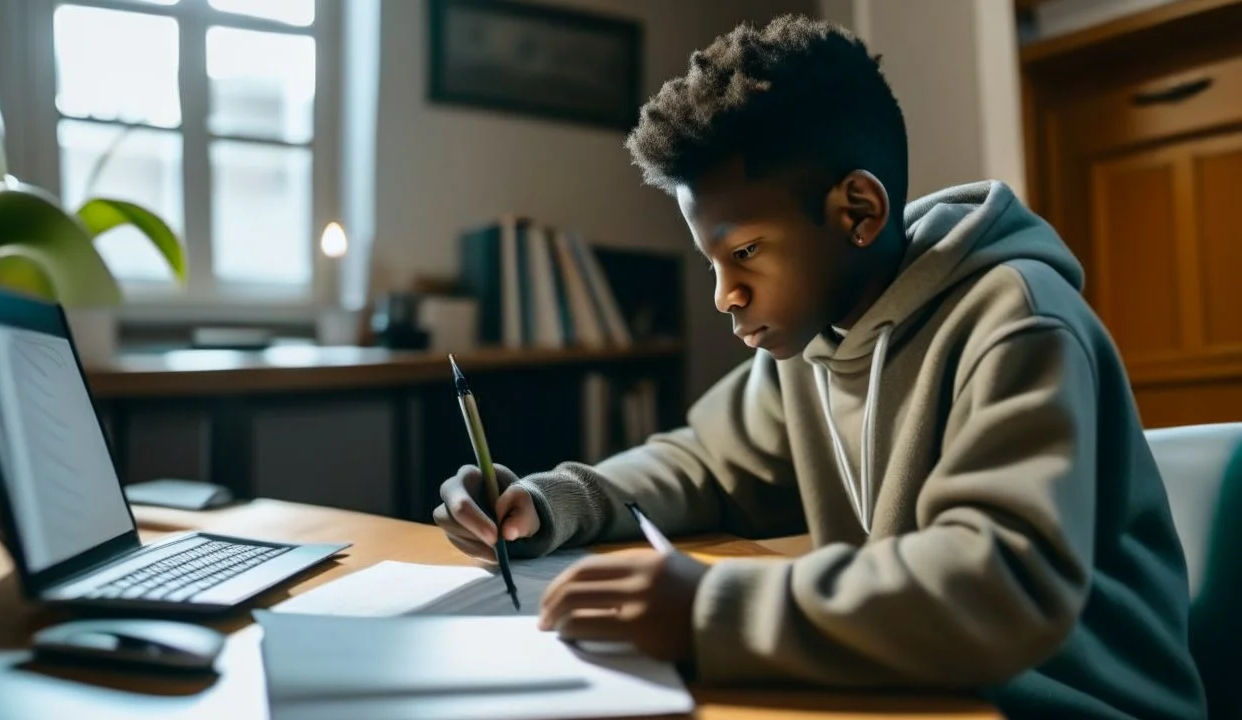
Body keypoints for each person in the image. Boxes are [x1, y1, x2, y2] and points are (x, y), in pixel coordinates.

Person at [434, 14, 1207, 720]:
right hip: (927, 687)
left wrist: (709, 608)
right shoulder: (813, 339)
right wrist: (552, 502)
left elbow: (1001, 585)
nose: (725, 294)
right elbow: (706, 463)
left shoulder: (1018, 324)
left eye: (744, 252)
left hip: (1068, 704)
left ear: (858, 212)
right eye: (712, 262)